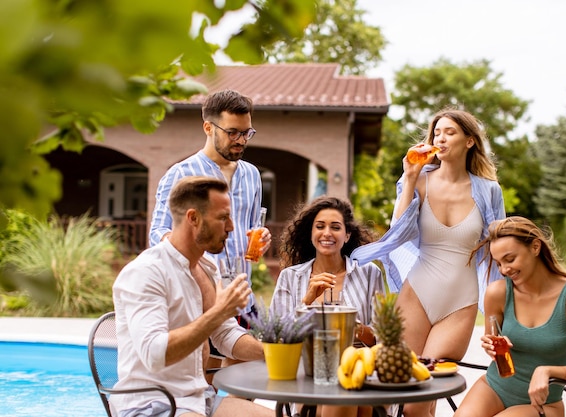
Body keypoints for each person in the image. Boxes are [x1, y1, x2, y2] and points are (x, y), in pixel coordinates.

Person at [351, 108, 505, 417]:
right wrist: (408, 178)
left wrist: (502, 306)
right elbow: (398, 229)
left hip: (461, 301)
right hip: (417, 293)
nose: (441, 138)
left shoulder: (489, 190)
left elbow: (499, 250)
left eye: (449, 132)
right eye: (437, 132)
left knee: (419, 401)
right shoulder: (419, 179)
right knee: (395, 385)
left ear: (470, 141)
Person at [112, 176, 273, 417]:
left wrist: (278, 353)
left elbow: (225, 334)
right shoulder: (146, 272)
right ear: (193, 218)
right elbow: (155, 355)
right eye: (223, 217)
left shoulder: (206, 268)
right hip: (153, 405)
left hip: (199, 400)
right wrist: (219, 311)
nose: (231, 227)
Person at [148, 89, 271, 363]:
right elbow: (157, 235)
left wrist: (260, 239)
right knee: (204, 386)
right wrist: (201, 264)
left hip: (242, 298)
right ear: (208, 127)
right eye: (233, 132)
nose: (241, 140)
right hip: (199, 304)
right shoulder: (180, 174)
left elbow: (250, 229)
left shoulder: (252, 175)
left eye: (247, 133)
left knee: (246, 383)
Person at [454, 216, 566, 417]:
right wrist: (490, 346)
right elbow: (495, 347)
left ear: (535, 247)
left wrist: (546, 371)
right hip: (494, 388)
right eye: (498, 263)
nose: (504, 270)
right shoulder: (498, 293)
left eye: (510, 259)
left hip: (543, 405)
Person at [270, 196, 384, 417]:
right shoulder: (291, 277)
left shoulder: (370, 273)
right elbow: (278, 338)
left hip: (359, 369)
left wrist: (352, 326)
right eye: (319, 226)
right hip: (309, 372)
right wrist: (307, 300)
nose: (327, 233)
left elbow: (381, 338)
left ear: (347, 235)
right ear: (311, 233)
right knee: (337, 402)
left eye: (335, 227)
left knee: (347, 398)